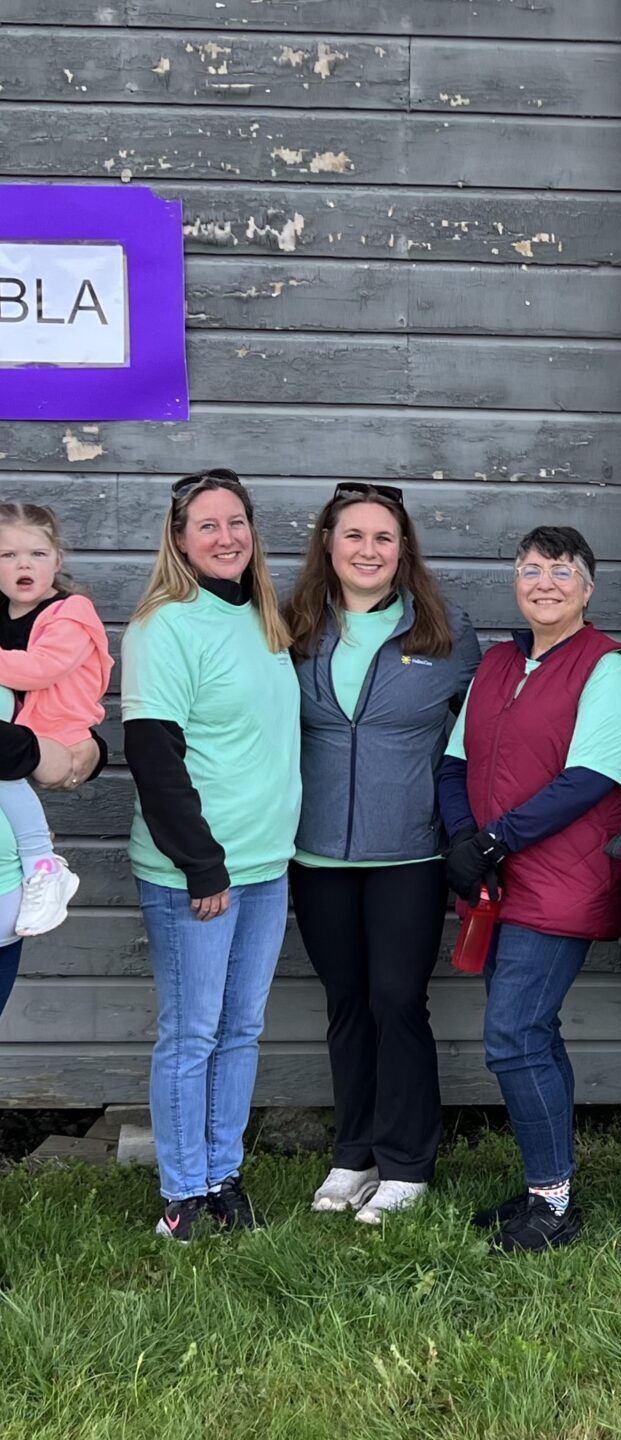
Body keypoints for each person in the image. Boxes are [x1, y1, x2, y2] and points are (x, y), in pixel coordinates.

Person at [438, 525, 621, 1252]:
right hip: (497, 880)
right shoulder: (498, 663)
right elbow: (452, 761)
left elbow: (594, 777)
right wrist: (466, 839)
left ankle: (554, 1206)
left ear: (588, 588)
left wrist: (495, 840)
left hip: (562, 881)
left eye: (562, 570)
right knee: (528, 1032)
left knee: (512, 1033)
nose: (545, 582)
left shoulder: (610, 667)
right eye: (531, 569)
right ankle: (545, 1189)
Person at [285, 483, 479, 1224]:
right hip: (317, 853)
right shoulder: (294, 624)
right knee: (346, 1005)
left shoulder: (445, 630)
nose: (369, 550)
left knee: (398, 1001)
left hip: (409, 855)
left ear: (404, 551)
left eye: (384, 538)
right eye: (355, 536)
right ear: (328, 545)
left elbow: (481, 732)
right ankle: (353, 1153)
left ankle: (406, 1163)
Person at [122, 468, 300, 1243]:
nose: (225, 537)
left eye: (237, 522)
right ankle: (182, 1195)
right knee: (192, 1032)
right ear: (180, 538)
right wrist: (203, 865)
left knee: (241, 1029)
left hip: (266, 864)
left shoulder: (265, 618)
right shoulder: (166, 625)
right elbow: (153, 756)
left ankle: (224, 1176)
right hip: (199, 870)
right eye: (207, 525)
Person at [0, 503, 112, 936]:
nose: (23, 564)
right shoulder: (4, 610)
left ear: (57, 561)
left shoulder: (71, 613)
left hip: (61, 723)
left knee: (7, 771)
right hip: (29, 724)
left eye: (37, 554)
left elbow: (41, 668)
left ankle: (43, 864)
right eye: (8, 556)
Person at [0, 714, 103, 1019]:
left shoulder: (12, 668)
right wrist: (40, 753)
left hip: (8, 891)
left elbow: (56, 712)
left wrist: (91, 749)